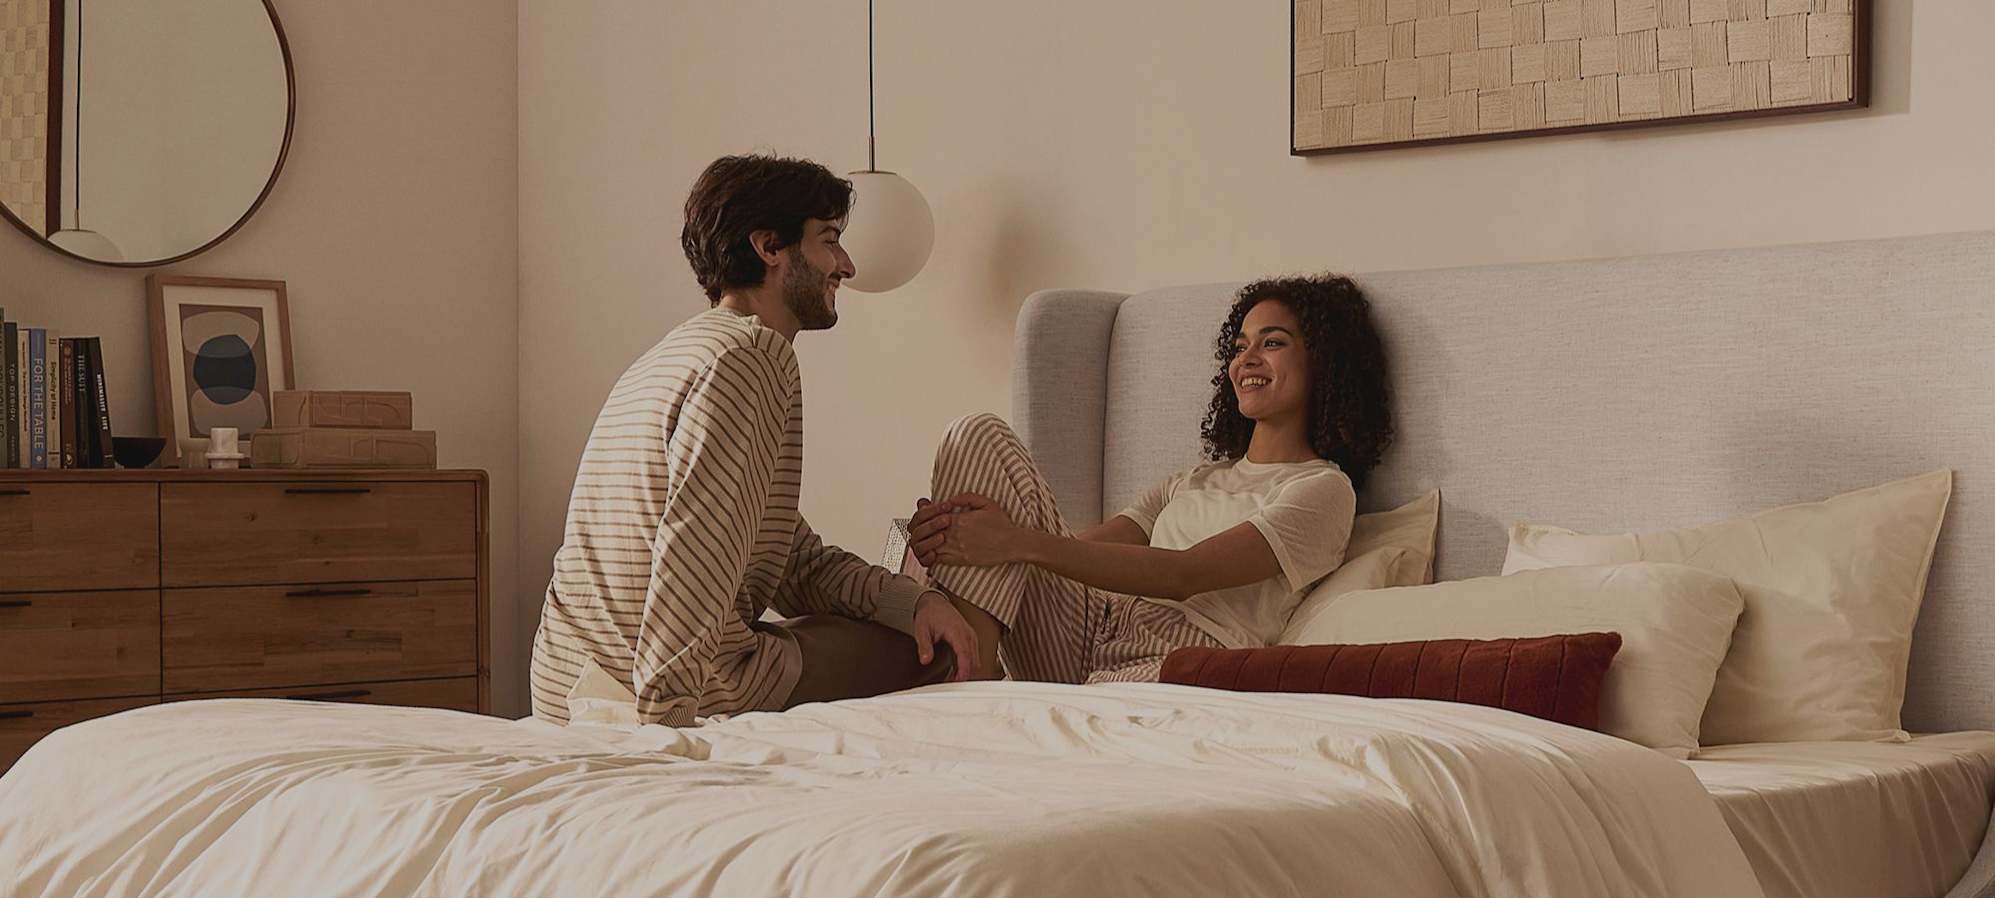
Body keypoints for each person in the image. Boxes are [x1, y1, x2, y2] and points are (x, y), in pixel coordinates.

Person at [529, 154, 983, 726]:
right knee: (937, 655)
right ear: (770, 247)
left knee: (848, 627)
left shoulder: (672, 356)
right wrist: (666, 726)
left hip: (563, 682)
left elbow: (793, 560)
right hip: (660, 689)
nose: (846, 265)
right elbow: (698, 550)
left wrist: (912, 600)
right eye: (829, 240)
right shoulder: (752, 357)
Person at [907, 274, 1393, 683]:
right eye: (1239, 346)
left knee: (1011, 544)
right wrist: (955, 538)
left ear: (1322, 362)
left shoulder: (1321, 490)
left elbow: (1184, 575)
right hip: (1095, 628)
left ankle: (963, 687)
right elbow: (1073, 548)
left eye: (1272, 343)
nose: (1246, 359)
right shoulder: (1194, 479)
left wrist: (1014, 542)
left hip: (1181, 654)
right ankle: (966, 675)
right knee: (976, 433)